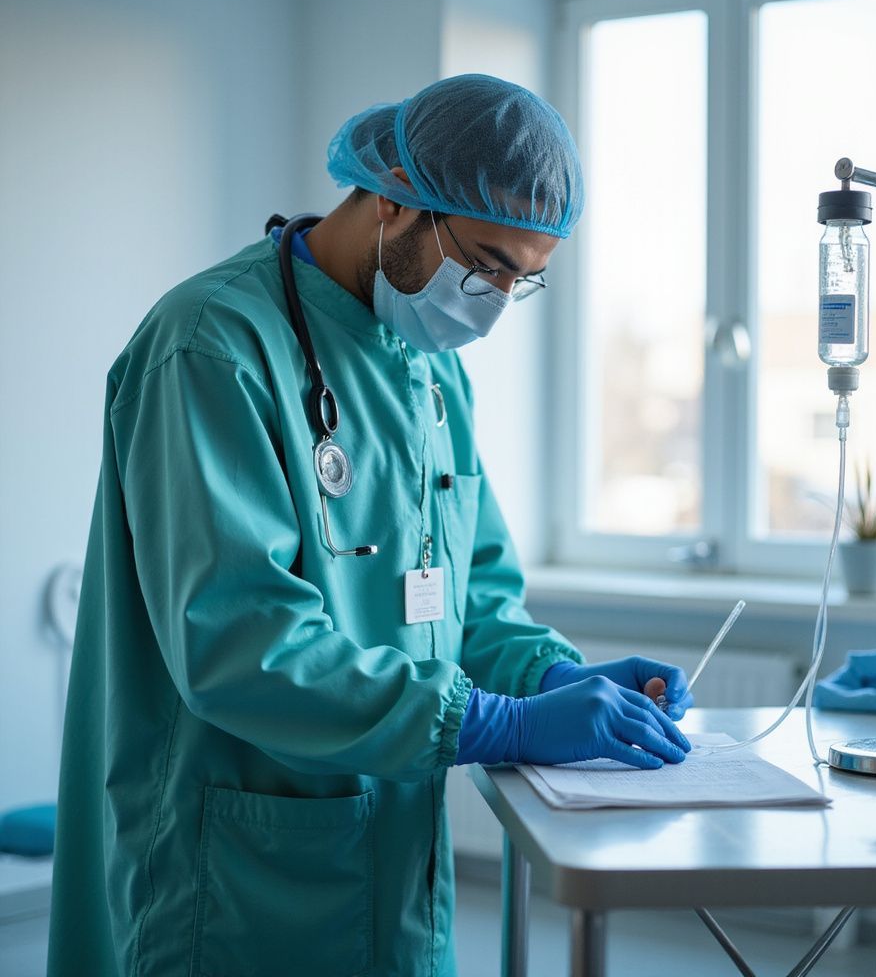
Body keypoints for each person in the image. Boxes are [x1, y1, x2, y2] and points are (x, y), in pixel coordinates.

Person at [47, 74, 693, 977]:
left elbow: (475, 602)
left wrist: (551, 674)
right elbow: (240, 642)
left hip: (395, 872)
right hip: (242, 869)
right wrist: (498, 725)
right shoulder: (209, 347)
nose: (497, 301)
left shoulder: (431, 369)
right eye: (488, 263)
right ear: (395, 197)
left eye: (525, 280)